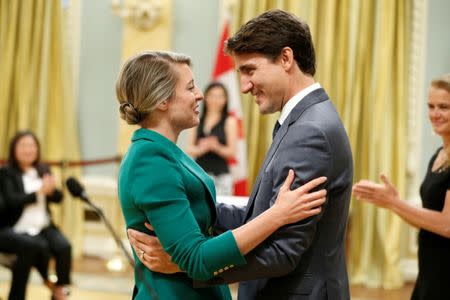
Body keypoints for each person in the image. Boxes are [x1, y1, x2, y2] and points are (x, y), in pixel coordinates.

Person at [128, 9, 353, 300]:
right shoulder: (307, 120)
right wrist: (188, 212)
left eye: (250, 70)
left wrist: (187, 266)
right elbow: (262, 213)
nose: (244, 86)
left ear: (286, 58)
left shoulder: (310, 131)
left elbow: (283, 252)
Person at [353, 74, 450, 300]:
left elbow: (447, 225)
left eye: (444, 107)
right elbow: (428, 218)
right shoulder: (439, 155)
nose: (435, 114)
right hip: (429, 267)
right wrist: (392, 203)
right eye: (431, 106)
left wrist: (393, 202)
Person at [0, 131, 72, 300]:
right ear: (14, 149)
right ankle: (43, 283)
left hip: (43, 225)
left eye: (32, 146)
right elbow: (11, 200)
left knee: (64, 246)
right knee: (34, 247)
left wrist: (52, 189)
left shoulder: (43, 169)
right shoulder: (6, 173)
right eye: (23, 146)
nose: (28, 150)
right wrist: (39, 192)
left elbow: (58, 198)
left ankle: (59, 290)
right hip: (16, 226)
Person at [186, 82, 237, 195]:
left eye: (220, 96)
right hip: (199, 174)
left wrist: (216, 147)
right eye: (212, 95)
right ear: (206, 97)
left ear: (225, 100)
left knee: (221, 209)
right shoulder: (196, 119)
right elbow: (189, 149)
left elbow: (232, 152)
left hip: (222, 177)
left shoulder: (230, 121)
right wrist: (202, 148)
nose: (215, 100)